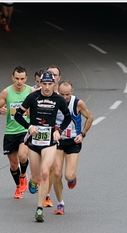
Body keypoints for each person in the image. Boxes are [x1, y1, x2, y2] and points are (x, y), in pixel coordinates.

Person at [14, 71, 72, 222]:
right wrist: (29, 126)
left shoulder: (58, 99)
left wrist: (58, 130)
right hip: (34, 142)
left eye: (49, 84)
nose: (46, 87)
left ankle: (39, 209)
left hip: (49, 142)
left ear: (54, 85)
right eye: (44, 84)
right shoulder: (33, 97)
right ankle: (32, 180)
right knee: (36, 176)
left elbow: (67, 117)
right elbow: (17, 115)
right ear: (40, 84)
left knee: (45, 173)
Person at [0, 66, 35, 199]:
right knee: (13, 164)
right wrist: (0, 111)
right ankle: (18, 187)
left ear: (26, 79)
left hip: (24, 130)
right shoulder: (6, 92)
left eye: (22, 79)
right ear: (12, 78)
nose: (19, 81)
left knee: (23, 156)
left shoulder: (31, 91)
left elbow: (38, 109)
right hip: (10, 131)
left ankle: (23, 176)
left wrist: (31, 113)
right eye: (17, 78)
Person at [52, 80, 93, 215]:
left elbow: (90, 117)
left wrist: (82, 134)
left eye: (67, 94)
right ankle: (60, 203)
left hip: (73, 141)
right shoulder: (53, 101)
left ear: (72, 91)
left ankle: (72, 178)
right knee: (57, 173)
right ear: (58, 91)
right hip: (58, 141)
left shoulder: (78, 103)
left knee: (68, 175)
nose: (64, 97)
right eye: (62, 94)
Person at [42, 65, 62, 208]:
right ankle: (44, 191)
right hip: (41, 135)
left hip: (57, 135)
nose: (52, 77)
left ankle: (47, 195)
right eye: (50, 75)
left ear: (58, 79)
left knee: (54, 168)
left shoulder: (63, 96)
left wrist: (59, 130)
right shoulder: (38, 93)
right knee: (45, 169)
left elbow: (70, 115)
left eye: (55, 75)